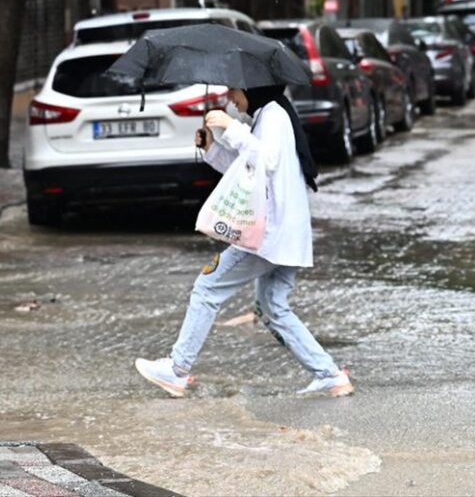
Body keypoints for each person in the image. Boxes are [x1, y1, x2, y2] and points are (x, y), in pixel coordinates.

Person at [134, 85, 354, 398]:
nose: (232, 97)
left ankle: (177, 369)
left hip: (270, 235)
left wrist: (231, 126)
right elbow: (249, 170)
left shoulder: (274, 115)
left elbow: (267, 159)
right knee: (272, 307)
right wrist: (212, 148)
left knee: (207, 288)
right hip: (285, 233)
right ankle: (329, 375)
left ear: (253, 86)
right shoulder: (268, 114)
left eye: (235, 89)